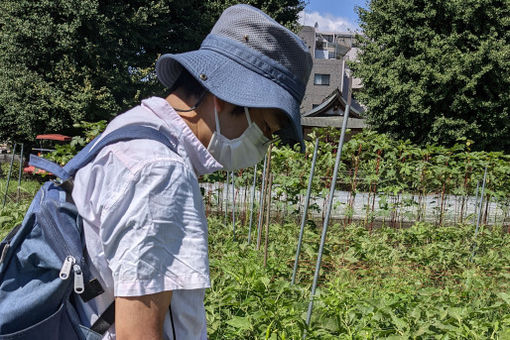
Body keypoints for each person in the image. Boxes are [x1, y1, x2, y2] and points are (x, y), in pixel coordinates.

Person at [71, 4, 312, 340]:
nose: (265, 144)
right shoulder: (160, 172)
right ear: (228, 100)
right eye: (267, 129)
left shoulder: (131, 130)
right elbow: (137, 335)